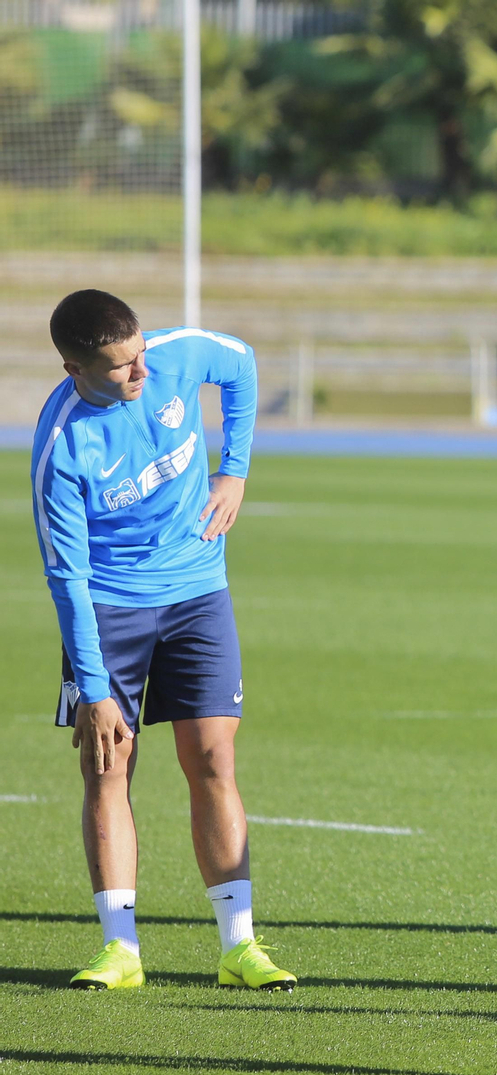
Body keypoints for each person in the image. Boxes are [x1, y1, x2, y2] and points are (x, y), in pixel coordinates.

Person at [30, 290, 294, 992]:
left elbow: (240, 364)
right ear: (74, 367)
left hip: (198, 592)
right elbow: (68, 576)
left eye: (140, 354)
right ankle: (120, 948)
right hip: (109, 608)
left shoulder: (174, 356)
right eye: (119, 368)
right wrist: (93, 691)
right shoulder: (61, 447)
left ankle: (239, 946)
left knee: (213, 756)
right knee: (107, 766)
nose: (140, 373)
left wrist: (235, 467)